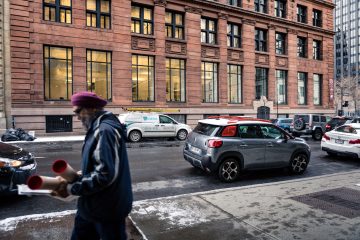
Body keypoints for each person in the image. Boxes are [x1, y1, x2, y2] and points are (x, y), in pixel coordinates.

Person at [52, 91, 133, 240]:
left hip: (107, 209)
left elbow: (105, 174)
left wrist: (71, 189)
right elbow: (100, 165)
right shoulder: (97, 128)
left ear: (92, 109)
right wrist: (80, 174)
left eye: (78, 111)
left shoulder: (104, 131)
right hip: (92, 206)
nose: (77, 116)